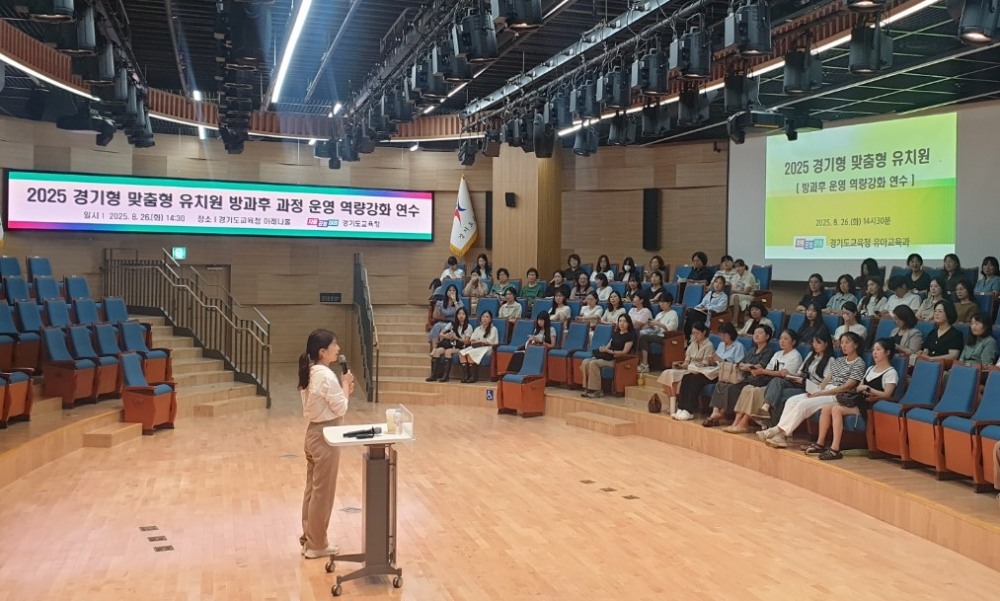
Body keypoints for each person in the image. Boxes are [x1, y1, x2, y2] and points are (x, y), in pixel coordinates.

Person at [298, 328, 354, 559]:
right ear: (323, 351)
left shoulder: (312, 371)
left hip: (313, 434)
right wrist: (345, 386)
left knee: (313, 490)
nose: (338, 348)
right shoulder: (326, 376)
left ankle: (309, 539)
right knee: (323, 493)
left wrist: (343, 389)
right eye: (335, 345)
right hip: (325, 435)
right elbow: (341, 407)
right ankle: (317, 545)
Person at [758, 332, 866, 449]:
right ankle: (781, 436)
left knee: (804, 404)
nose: (843, 346)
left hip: (838, 395)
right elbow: (827, 380)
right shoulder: (839, 360)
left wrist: (823, 393)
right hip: (825, 390)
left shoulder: (859, 363)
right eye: (842, 343)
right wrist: (816, 390)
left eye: (847, 342)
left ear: (855, 345)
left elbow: (848, 386)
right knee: (792, 401)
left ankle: (777, 431)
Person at [805, 338, 898, 461]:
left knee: (837, 410)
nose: (874, 352)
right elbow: (860, 386)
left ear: (887, 352)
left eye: (878, 349)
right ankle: (820, 443)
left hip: (871, 405)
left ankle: (835, 449)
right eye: (873, 350)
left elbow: (887, 395)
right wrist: (859, 388)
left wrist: (868, 389)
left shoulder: (891, 372)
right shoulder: (870, 369)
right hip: (859, 400)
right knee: (827, 407)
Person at [724, 329, 804, 433]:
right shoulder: (778, 354)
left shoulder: (795, 356)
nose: (782, 341)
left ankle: (744, 422)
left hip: (785, 384)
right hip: (771, 381)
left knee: (755, 391)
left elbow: (784, 374)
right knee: (747, 388)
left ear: (793, 342)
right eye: (780, 339)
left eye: (785, 339)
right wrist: (760, 372)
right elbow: (769, 369)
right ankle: (736, 421)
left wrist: (762, 371)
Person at [705, 324, 775, 427]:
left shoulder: (768, 351)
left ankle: (723, 415)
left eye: (760, 333)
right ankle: (716, 412)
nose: (756, 335)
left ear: (767, 336)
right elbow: (740, 364)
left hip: (754, 380)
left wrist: (747, 366)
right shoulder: (751, 350)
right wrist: (747, 366)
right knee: (720, 384)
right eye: (755, 333)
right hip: (743, 376)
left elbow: (759, 367)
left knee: (731, 388)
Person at [674, 322, 745, 421]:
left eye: (725, 334)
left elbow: (738, 364)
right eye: (721, 334)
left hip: (724, 374)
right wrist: (712, 360)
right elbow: (715, 361)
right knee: (687, 377)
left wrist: (721, 360)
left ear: (731, 333)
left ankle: (689, 410)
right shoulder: (721, 345)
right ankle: (681, 407)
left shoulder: (738, 346)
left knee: (695, 379)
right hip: (713, 370)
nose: (722, 337)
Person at [657, 322, 714, 408]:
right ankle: (672, 403)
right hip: (688, 369)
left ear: (704, 332)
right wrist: (681, 365)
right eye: (693, 333)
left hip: (697, 372)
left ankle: (678, 404)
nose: (695, 335)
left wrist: (694, 364)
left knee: (680, 381)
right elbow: (687, 361)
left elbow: (705, 364)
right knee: (667, 373)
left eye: (697, 333)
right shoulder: (692, 344)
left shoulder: (709, 345)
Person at [580, 314, 635, 399]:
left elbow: (624, 352)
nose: (622, 323)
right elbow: (608, 346)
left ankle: (597, 391)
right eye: (620, 321)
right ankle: (587, 388)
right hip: (607, 356)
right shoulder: (616, 333)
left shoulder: (630, 336)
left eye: (624, 321)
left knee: (593, 363)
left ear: (629, 323)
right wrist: (603, 349)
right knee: (585, 362)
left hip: (616, 360)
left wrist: (609, 351)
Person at [426, 307, 472, 382]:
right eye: (459, 314)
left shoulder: (468, 327)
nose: (461, 316)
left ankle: (446, 376)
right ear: (456, 315)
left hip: (460, 346)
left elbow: (466, 342)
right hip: (449, 344)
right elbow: (441, 333)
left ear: (466, 316)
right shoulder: (452, 324)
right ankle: (434, 375)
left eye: (463, 314)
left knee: (448, 352)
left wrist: (456, 338)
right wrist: (446, 336)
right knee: (437, 351)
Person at [637, 293, 679, 374]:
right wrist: (652, 325)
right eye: (660, 302)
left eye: (663, 302)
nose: (661, 304)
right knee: (639, 335)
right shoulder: (659, 314)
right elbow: (656, 329)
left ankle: (645, 364)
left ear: (669, 303)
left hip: (666, 337)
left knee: (644, 337)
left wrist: (657, 324)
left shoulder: (673, 313)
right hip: (657, 334)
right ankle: (639, 362)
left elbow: (671, 329)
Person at [458, 310, 499, 383]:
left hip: (487, 348)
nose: (485, 319)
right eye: (483, 317)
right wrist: (480, 341)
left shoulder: (493, 329)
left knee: (470, 353)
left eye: (487, 317)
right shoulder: (477, 328)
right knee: (462, 353)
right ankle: (466, 375)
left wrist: (480, 341)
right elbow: (472, 340)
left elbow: (490, 341)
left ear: (490, 319)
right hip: (477, 346)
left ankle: (474, 377)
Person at [727, 259, 758, 323]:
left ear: (744, 266)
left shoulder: (749, 276)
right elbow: (731, 288)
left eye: (739, 266)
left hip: (750, 296)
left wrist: (734, 291)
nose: (737, 269)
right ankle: (729, 319)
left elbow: (746, 292)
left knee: (735, 297)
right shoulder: (736, 276)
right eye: (735, 267)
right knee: (726, 296)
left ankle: (735, 320)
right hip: (740, 294)